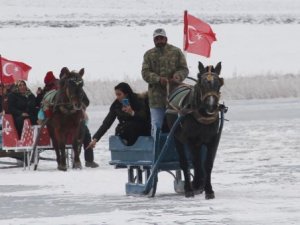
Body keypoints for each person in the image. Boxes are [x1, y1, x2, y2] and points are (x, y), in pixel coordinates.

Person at [141, 28, 189, 129]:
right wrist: (158, 79)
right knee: (156, 125)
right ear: (154, 40)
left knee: (177, 126)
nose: (159, 40)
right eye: (157, 38)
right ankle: (156, 144)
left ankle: (177, 144)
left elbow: (184, 69)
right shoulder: (148, 54)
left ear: (166, 39)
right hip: (156, 99)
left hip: (176, 98)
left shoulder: (176, 52)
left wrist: (177, 77)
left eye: (161, 38)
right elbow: (145, 73)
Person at [87, 82, 151, 148]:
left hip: (140, 131)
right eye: (116, 95)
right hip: (124, 132)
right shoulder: (116, 105)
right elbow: (107, 123)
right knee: (120, 129)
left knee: (130, 126)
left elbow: (145, 117)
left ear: (126, 94)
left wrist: (132, 113)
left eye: (119, 94)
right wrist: (95, 139)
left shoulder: (138, 100)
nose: (117, 97)